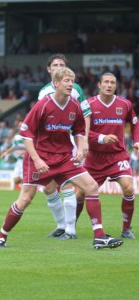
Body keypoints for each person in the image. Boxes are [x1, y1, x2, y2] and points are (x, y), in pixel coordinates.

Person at [0, 67, 123, 250]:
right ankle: (2, 236)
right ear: (56, 83)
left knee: (91, 186)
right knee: (25, 199)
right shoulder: (43, 105)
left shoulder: (74, 105)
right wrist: (37, 160)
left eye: (72, 81)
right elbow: (26, 133)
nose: (71, 84)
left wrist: (79, 148)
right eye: (66, 81)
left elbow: (79, 130)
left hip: (63, 159)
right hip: (40, 159)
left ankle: (99, 236)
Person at [76, 72, 138, 239]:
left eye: (112, 82)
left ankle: (126, 229)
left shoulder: (125, 104)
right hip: (94, 158)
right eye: (106, 82)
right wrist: (102, 138)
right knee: (80, 194)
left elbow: (135, 123)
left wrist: (136, 141)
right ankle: (70, 227)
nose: (109, 85)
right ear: (99, 85)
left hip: (118, 156)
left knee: (128, 188)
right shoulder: (88, 105)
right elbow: (82, 131)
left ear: (116, 86)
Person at [38, 53, 91, 239]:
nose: (58, 67)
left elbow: (85, 114)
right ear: (49, 69)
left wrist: (83, 142)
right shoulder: (43, 93)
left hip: (67, 144)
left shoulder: (75, 88)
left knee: (67, 185)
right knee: (48, 188)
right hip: (47, 147)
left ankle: (70, 229)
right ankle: (61, 226)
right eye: (55, 65)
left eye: (62, 64)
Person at [1, 124, 26, 189]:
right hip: (19, 160)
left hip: (27, 161)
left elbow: (35, 148)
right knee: (16, 180)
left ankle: (27, 190)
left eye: (21, 125)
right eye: (19, 125)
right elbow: (14, 147)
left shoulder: (30, 136)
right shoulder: (17, 137)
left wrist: (24, 152)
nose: (20, 127)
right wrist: (6, 153)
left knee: (25, 180)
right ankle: (25, 187)